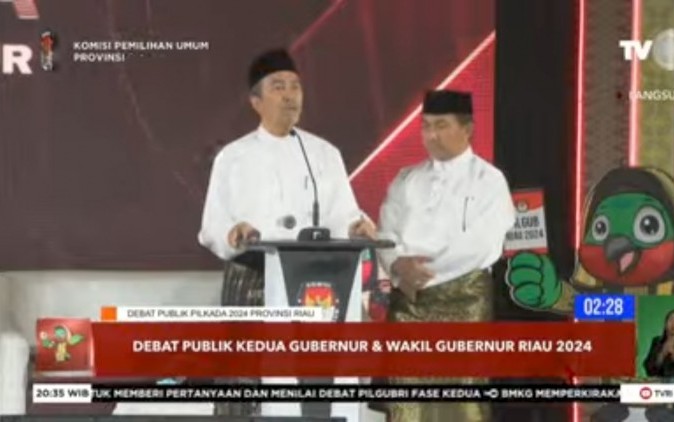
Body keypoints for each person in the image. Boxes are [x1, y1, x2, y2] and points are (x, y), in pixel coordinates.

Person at [198, 48, 376, 419]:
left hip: (316, 284)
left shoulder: (324, 153)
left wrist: (356, 225)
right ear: (256, 101)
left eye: (295, 86)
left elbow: (344, 213)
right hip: (255, 279)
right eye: (278, 87)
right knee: (248, 385)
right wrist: (233, 231)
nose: (290, 95)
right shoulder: (233, 156)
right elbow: (212, 225)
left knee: (311, 383)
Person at [377, 90, 516, 422]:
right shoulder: (406, 178)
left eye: (440, 125)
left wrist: (420, 272)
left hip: (463, 301)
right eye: (426, 126)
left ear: (467, 128)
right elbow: (385, 232)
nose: (431, 135)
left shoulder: (489, 180)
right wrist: (397, 265)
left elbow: (482, 245)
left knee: (461, 403)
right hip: (409, 304)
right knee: (408, 404)